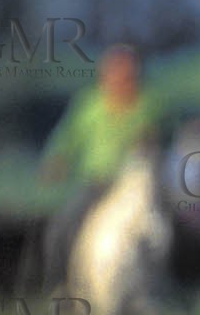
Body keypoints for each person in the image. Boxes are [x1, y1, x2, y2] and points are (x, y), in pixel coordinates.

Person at [38, 44, 162, 290]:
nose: (122, 79)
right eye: (116, 72)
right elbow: (66, 137)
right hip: (95, 184)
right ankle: (63, 289)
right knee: (62, 228)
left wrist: (148, 142)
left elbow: (156, 137)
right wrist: (56, 160)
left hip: (133, 187)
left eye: (128, 74)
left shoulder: (149, 104)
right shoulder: (89, 105)